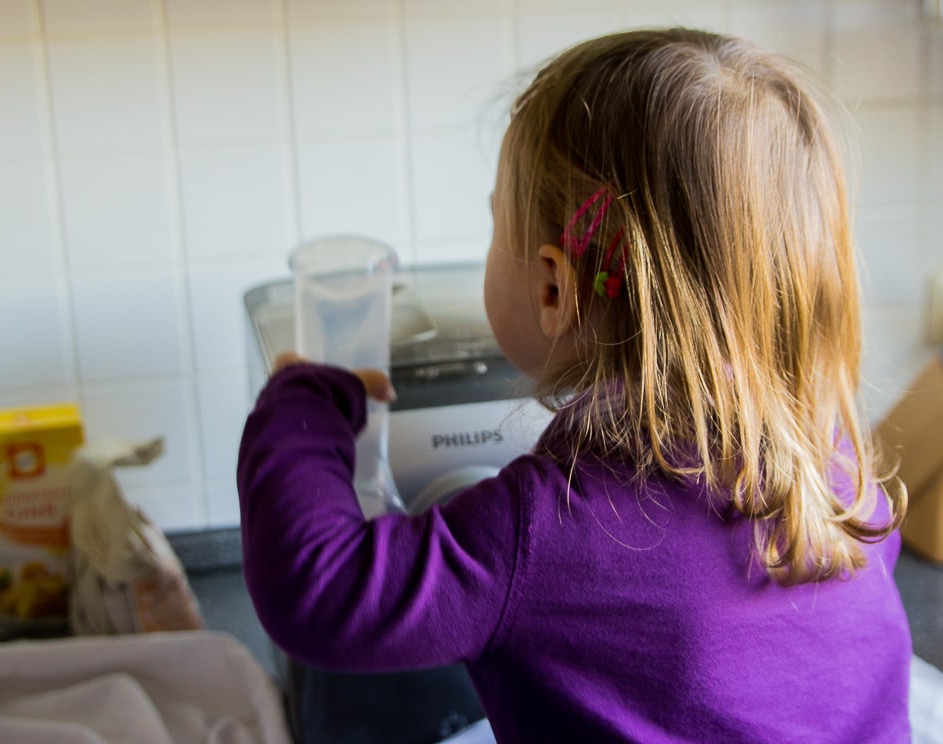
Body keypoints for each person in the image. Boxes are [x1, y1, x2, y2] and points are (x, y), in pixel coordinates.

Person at [238, 28, 912, 742]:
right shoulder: (836, 473)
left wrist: (302, 409)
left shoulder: (548, 529)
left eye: (495, 225)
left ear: (555, 287)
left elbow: (322, 590)